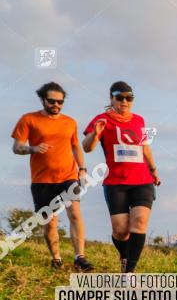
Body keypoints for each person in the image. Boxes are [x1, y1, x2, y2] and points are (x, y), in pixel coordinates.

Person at [10, 82, 95, 271]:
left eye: (60, 102)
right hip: (42, 181)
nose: (56, 105)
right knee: (50, 222)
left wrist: (82, 168)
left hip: (68, 176)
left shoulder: (70, 122)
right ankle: (56, 259)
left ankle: (80, 257)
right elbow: (16, 147)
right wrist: (32, 148)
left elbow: (75, 146)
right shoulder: (28, 119)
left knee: (74, 214)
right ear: (42, 99)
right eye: (52, 101)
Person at [82, 81, 160, 273]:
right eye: (120, 97)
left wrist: (153, 170)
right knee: (120, 230)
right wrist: (95, 134)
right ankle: (124, 256)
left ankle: (129, 272)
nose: (125, 101)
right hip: (116, 182)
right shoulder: (101, 119)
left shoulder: (139, 120)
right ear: (111, 99)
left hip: (142, 180)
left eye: (129, 98)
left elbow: (145, 147)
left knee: (140, 222)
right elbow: (87, 147)